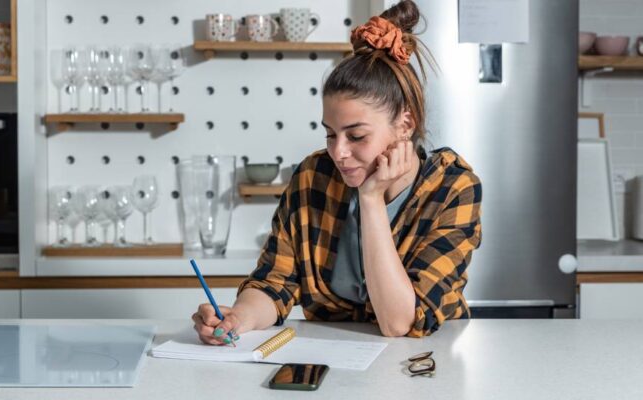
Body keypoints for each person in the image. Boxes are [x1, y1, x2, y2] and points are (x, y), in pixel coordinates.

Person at [192, 0, 482, 343]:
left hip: (427, 367)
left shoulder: (453, 187)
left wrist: (371, 198)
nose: (339, 152)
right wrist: (238, 317)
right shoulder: (313, 176)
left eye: (356, 136)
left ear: (406, 123)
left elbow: (399, 323)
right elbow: (275, 284)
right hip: (334, 363)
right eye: (330, 134)